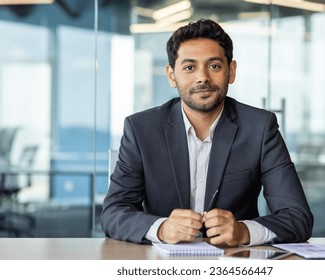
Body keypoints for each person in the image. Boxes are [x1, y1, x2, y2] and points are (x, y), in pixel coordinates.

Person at [101, 18, 313, 246]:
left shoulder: (260, 128)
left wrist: (244, 231)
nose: (202, 77)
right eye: (189, 68)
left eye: (214, 66)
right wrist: (161, 228)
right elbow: (114, 213)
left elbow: (297, 217)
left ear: (231, 71)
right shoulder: (142, 129)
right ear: (172, 75)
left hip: (236, 264)